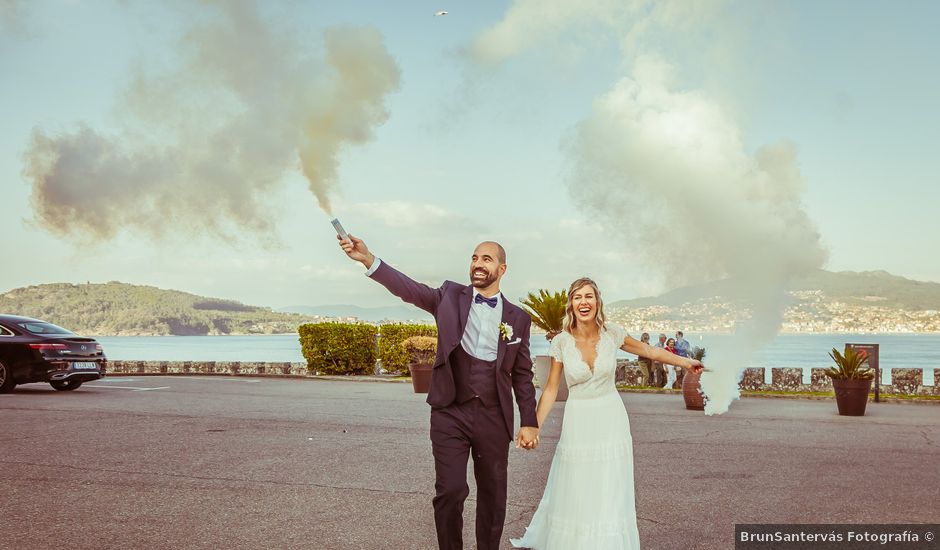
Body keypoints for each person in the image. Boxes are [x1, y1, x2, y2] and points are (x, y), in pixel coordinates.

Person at [338, 234, 539, 550]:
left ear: (502, 268)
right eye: (474, 257)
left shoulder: (519, 318)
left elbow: (523, 375)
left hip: (493, 415)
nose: (477, 264)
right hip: (450, 411)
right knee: (451, 490)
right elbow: (410, 290)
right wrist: (368, 259)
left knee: (493, 494)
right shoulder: (448, 296)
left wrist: (529, 421)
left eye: (486, 259)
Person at [510, 278, 703, 549]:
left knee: (609, 485)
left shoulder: (613, 333)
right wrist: (533, 426)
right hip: (579, 419)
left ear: (597, 302)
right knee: (578, 484)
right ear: (571, 305)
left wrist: (685, 362)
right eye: (578, 297)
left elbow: (650, 351)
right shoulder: (562, 342)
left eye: (589, 296)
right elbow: (551, 388)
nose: (584, 302)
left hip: (611, 418)